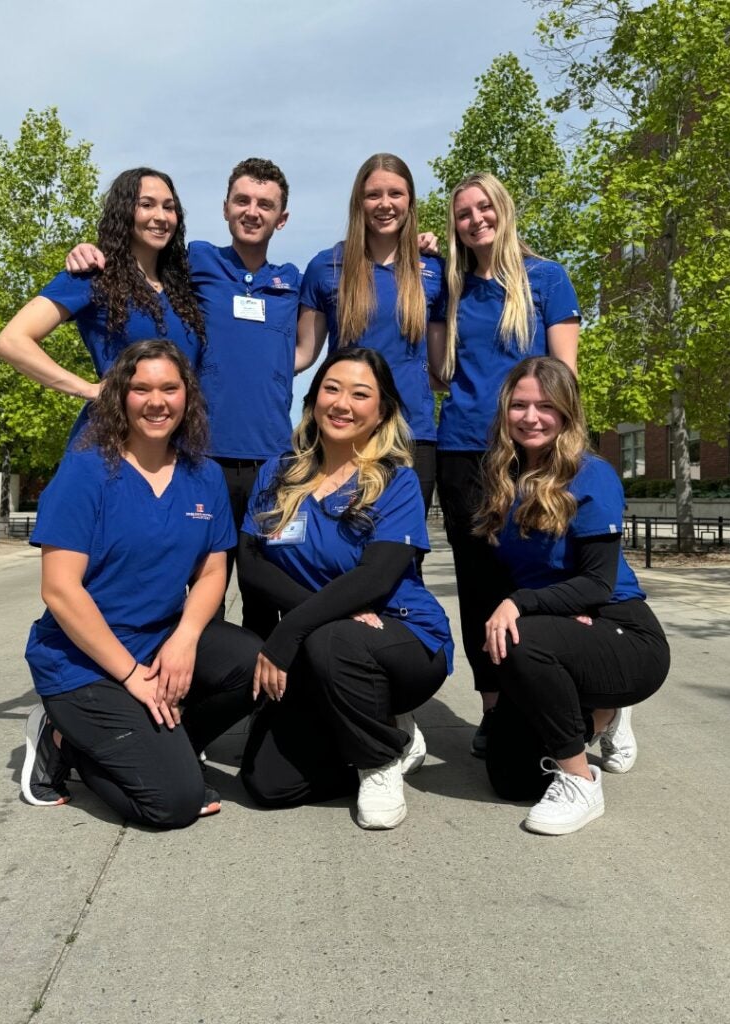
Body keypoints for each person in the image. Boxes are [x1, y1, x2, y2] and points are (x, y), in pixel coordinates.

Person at [20, 340, 259, 828]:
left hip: (159, 640)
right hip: (84, 659)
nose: (157, 401)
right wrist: (131, 675)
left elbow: (213, 572)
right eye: (141, 388)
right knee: (172, 804)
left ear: (187, 397)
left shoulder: (204, 475)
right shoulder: (85, 470)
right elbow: (60, 589)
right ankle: (68, 742)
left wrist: (185, 639)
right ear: (118, 397)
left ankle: (163, 746)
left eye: (170, 388)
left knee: (256, 666)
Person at [65, 158, 300, 638]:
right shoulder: (194, 262)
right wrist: (86, 250)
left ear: (283, 217)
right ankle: (199, 684)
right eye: (242, 201)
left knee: (266, 590)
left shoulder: (295, 278)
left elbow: (306, 349)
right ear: (225, 208)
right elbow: (134, 261)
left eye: (265, 204)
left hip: (273, 461)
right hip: (200, 454)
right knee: (201, 585)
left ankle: (267, 702)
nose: (252, 211)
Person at [236, 348, 453, 830]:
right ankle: (388, 736)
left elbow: (377, 577)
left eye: (361, 394)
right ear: (313, 400)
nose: (342, 403)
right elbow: (250, 565)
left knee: (333, 640)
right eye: (331, 389)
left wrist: (294, 628)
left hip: (401, 637)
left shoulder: (396, 481)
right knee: (268, 784)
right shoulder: (277, 473)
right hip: (322, 642)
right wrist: (317, 618)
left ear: (382, 411)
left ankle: (378, 761)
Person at [476, 356, 669, 835]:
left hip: (621, 629)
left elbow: (598, 584)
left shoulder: (590, 473)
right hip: (563, 629)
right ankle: (595, 712)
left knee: (520, 637)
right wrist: (553, 619)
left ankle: (581, 780)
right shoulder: (504, 477)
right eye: (519, 405)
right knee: (509, 778)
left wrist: (526, 606)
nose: (531, 417)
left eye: (545, 405)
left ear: (566, 412)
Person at [429, 172, 581, 758]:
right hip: (465, 447)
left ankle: (574, 699)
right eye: (463, 213)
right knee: (479, 584)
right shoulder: (452, 285)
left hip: (532, 451)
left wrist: (561, 451)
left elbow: (564, 379)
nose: (475, 220)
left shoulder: (547, 278)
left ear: (503, 209)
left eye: (484, 207)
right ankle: (493, 709)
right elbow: (441, 370)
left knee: (539, 575)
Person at [0, 167, 205, 444]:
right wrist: (90, 390)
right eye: (146, 205)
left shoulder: (183, 289)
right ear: (124, 211)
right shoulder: (94, 275)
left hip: (176, 451)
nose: (160, 216)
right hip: (111, 445)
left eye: (169, 207)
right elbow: (10, 342)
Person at [295, 153, 446, 513]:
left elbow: (442, 367)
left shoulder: (435, 270)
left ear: (410, 201)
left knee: (405, 554)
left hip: (412, 434)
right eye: (373, 195)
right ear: (358, 202)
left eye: (396, 194)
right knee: (339, 546)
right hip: (343, 433)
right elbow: (302, 353)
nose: (385, 204)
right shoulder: (326, 266)